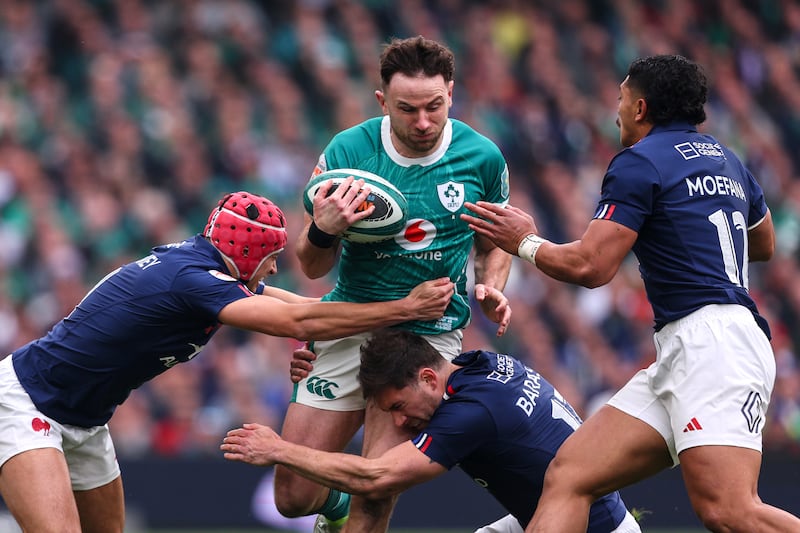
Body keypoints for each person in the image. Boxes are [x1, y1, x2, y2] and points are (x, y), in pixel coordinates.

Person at [461, 55, 800, 532]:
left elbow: (591, 266)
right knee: (570, 476)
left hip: (714, 346)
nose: (615, 110)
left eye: (620, 98)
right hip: (694, 347)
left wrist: (524, 242)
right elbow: (761, 244)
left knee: (729, 511)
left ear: (640, 107)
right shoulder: (727, 158)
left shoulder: (639, 162)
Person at [0, 190, 454, 533]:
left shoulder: (205, 268)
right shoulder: (195, 282)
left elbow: (301, 308)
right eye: (272, 259)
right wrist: (405, 309)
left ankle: (331, 504)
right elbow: (299, 318)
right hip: (28, 405)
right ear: (248, 254)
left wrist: (380, 319)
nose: (274, 269)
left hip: (86, 422)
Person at [279, 35, 513, 532]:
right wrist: (325, 228)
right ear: (383, 101)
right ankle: (334, 509)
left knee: (377, 488)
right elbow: (312, 266)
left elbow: (495, 243)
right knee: (294, 497)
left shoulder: (483, 158)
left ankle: (357, 508)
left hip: (426, 335)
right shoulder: (348, 152)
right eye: (409, 110)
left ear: (451, 92)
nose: (424, 122)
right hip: (350, 324)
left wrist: (491, 285)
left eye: (435, 106)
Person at [222, 329, 641, 533]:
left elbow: (378, 476)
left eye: (399, 407)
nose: (400, 422)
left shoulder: (470, 414)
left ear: (427, 376)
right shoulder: (481, 364)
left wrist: (278, 450)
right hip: (567, 515)